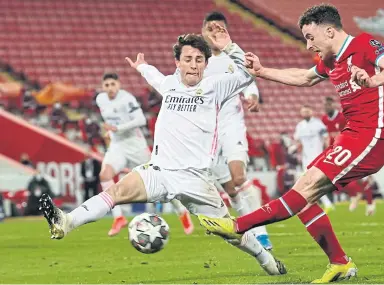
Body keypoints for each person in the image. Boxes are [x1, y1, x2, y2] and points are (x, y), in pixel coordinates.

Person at [39, 31, 286, 275]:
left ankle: (266, 260)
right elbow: (154, 77)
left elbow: (247, 72)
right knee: (115, 192)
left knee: (230, 232)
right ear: (177, 63)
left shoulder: (216, 86)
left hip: (196, 180)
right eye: (188, 59)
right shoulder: (170, 84)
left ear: (206, 64)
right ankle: (66, 222)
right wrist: (142, 66)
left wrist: (231, 46)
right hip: (160, 171)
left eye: (199, 60)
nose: (193, 65)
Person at [198, 4, 384, 283]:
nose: (309, 45)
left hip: (370, 137)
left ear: (329, 31)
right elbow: (305, 77)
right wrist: (261, 71)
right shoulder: (332, 59)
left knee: (306, 186)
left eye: (311, 37)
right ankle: (340, 263)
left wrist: (373, 79)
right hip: (350, 136)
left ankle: (238, 225)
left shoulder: (364, 44)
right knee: (302, 195)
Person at [201, 11, 272, 250]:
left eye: (220, 28)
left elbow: (249, 77)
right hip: (207, 131)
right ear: (203, 31)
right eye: (211, 28)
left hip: (232, 125)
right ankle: (248, 231)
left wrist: (252, 96)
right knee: (230, 190)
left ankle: (262, 233)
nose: (216, 32)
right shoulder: (197, 60)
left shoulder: (233, 56)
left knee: (239, 177)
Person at [94, 72, 193, 236]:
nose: (110, 88)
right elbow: (110, 121)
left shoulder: (127, 99)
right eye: (107, 85)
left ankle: (181, 211)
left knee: (159, 182)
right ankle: (118, 217)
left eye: (113, 84)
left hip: (136, 146)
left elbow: (140, 120)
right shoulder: (100, 100)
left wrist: (118, 129)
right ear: (102, 87)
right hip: (118, 146)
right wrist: (111, 133)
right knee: (105, 175)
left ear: (118, 85)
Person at [293, 105, 334, 212]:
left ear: (311, 112)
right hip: (306, 159)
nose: (305, 113)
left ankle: (323, 203)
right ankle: (324, 203)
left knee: (316, 181)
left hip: (317, 157)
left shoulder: (318, 124)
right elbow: (298, 141)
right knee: (309, 182)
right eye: (304, 111)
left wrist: (327, 151)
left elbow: (326, 138)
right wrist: (297, 151)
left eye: (307, 111)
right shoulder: (300, 126)